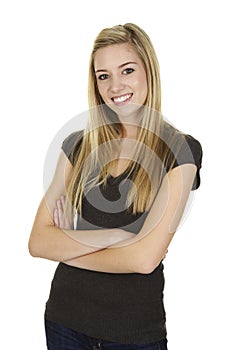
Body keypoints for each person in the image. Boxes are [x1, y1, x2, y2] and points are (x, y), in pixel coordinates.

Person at [29, 23, 203, 350]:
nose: (115, 85)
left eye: (127, 70)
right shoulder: (77, 146)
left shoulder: (179, 150)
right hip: (65, 321)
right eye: (103, 75)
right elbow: (38, 241)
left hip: (133, 334)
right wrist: (116, 237)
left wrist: (68, 247)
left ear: (148, 71)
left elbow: (144, 261)